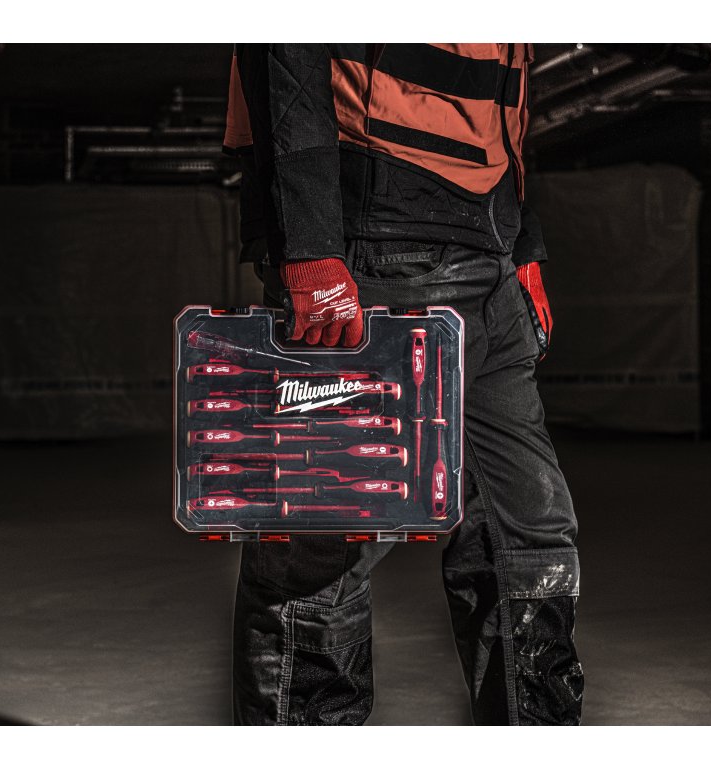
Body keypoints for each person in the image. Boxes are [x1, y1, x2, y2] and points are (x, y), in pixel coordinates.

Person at [223, 43, 582, 726]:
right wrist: (311, 247)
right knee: (321, 556)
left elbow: (500, 88)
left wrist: (522, 237)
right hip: (374, 241)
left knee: (527, 538)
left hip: (488, 247)